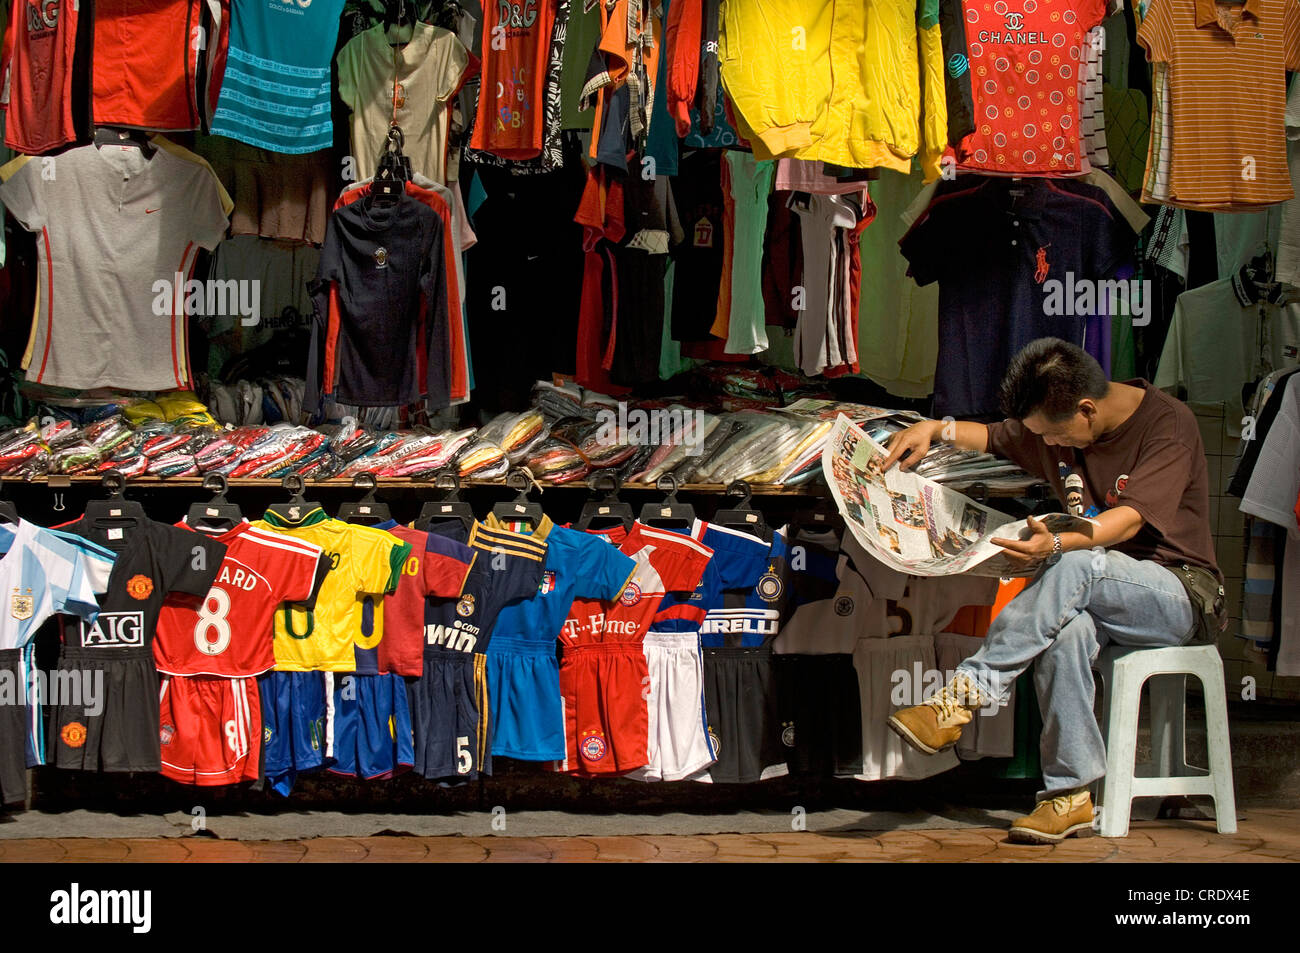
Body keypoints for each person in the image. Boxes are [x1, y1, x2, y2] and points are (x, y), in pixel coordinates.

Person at [881, 337, 1224, 844]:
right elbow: (993, 437)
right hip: (1095, 593)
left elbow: (1126, 523)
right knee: (1065, 632)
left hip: (1180, 593)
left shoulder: (1169, 424)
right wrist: (935, 428)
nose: (1049, 445)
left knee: (1076, 561)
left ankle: (963, 696)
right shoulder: (1050, 428)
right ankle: (1071, 796)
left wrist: (1057, 543)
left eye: (1055, 434)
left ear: (1086, 409)